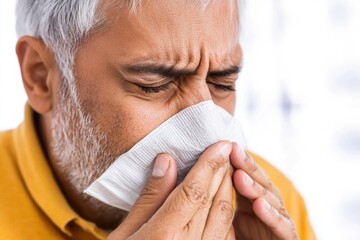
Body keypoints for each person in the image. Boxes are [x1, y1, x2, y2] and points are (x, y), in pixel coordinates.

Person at [0, 0, 316, 239]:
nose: (208, 135)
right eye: (154, 85)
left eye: (221, 84)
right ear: (40, 75)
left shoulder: (269, 206)